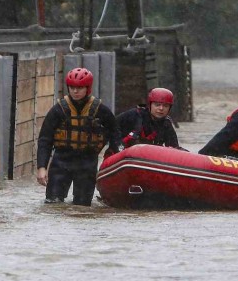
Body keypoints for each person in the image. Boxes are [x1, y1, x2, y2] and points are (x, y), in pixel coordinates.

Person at [36, 67, 122, 206]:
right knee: (53, 204)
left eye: (80, 88)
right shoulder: (58, 109)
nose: (75, 91)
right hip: (61, 161)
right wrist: (41, 167)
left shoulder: (101, 110)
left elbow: (115, 136)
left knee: (82, 206)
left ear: (88, 88)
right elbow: (45, 139)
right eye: (72, 87)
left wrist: (114, 162)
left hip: (87, 162)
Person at [116, 88, 181, 149]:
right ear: (149, 105)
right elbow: (111, 128)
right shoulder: (134, 115)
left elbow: (174, 148)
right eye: (157, 105)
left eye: (165, 106)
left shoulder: (166, 124)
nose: (161, 108)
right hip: (123, 154)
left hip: (146, 157)